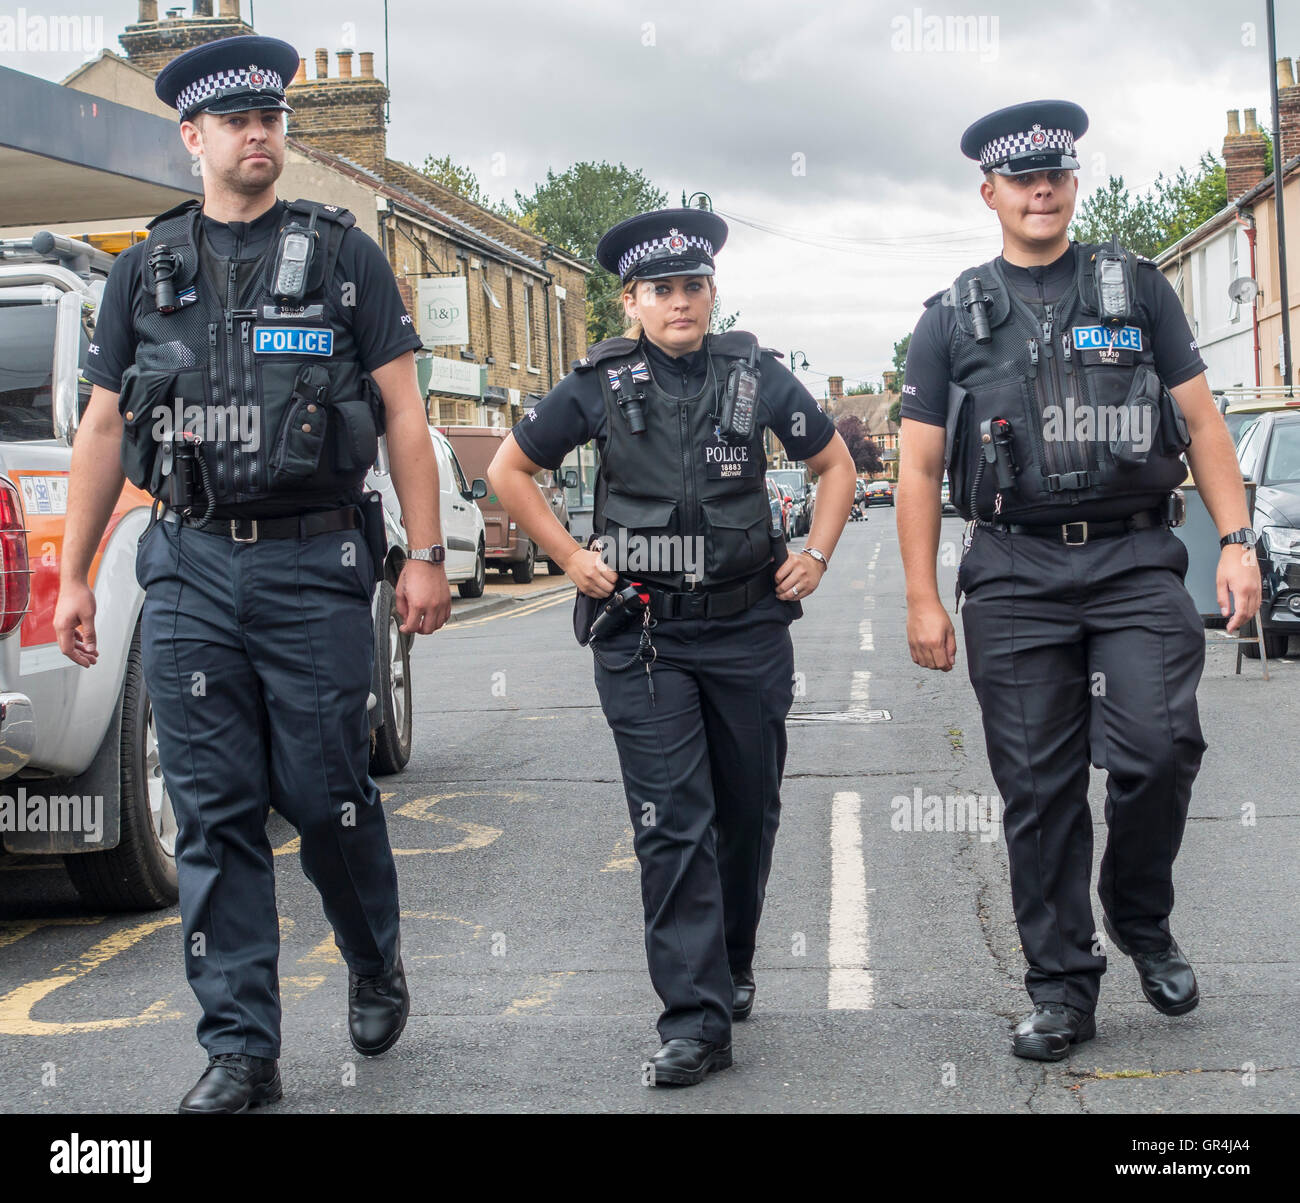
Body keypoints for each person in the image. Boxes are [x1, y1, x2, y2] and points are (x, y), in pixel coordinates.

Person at [54, 35, 452, 1112]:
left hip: (315, 563)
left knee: (325, 796)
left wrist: (425, 551)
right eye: (237, 122)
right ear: (194, 137)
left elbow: (407, 416)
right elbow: (100, 432)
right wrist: (80, 575)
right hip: (183, 566)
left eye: (271, 118)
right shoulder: (145, 269)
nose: (260, 134)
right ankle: (241, 1049)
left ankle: (372, 955)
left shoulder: (339, 255)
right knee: (216, 810)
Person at [897, 100, 1261, 1060]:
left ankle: (1138, 914)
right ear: (992, 194)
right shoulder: (948, 322)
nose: (1041, 189)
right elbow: (921, 471)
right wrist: (923, 596)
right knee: (1039, 787)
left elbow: (1206, 422)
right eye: (1022, 179)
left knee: (1160, 745)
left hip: (1135, 556)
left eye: (1055, 173)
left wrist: (1236, 538)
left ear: (1071, 183)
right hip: (1014, 572)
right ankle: (1062, 986)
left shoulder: (1136, 290)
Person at [488, 208, 855, 1085]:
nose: (681, 302)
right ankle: (692, 1019)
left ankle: (731, 960)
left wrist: (815, 554)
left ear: (711, 293)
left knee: (746, 809)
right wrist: (570, 556)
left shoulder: (755, 374)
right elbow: (509, 469)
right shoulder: (598, 384)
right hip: (645, 634)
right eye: (663, 290)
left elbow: (834, 465)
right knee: (672, 823)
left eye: (694, 286)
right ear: (632, 302)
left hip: (747, 629)